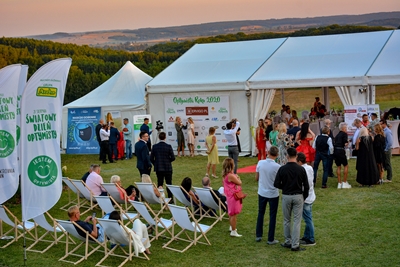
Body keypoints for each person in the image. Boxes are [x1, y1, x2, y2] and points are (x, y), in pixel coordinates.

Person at [274, 148, 309, 251]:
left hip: (286, 195)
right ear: (296, 156)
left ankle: (288, 241)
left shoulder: (282, 169)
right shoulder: (301, 169)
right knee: (297, 221)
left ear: (287, 156)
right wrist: (304, 197)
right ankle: (295, 244)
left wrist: (284, 187)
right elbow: (306, 186)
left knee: (286, 220)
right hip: (298, 196)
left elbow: (276, 184)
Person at [255, 146, 280, 245]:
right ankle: (270, 238)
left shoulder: (260, 163)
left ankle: (258, 235)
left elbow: (256, 178)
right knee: (272, 216)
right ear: (277, 155)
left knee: (261, 213)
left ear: (268, 152)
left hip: (262, 192)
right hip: (273, 193)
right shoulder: (277, 167)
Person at [296, 152, 316, 246]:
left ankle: (311, 238)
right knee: (308, 217)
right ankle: (306, 236)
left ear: (299, 161)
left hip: (306, 197)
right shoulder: (309, 168)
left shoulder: (302, 170)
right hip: (311, 195)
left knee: (308, 219)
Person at [150, 132, 175, 199]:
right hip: (167, 168)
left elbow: (151, 158)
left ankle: (159, 197)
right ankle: (170, 198)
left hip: (159, 168)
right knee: (169, 184)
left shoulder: (155, 147)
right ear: (165, 137)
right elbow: (173, 158)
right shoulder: (168, 146)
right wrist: (168, 161)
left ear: (159, 138)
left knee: (160, 183)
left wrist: (156, 163)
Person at [222, 158, 243, 237]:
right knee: (233, 214)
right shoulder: (231, 175)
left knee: (231, 213)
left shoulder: (225, 175)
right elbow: (239, 183)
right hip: (233, 196)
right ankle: (233, 231)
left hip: (229, 196)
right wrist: (238, 178)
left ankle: (232, 227)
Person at [334, 122, 351, 189]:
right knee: (345, 165)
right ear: (343, 128)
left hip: (336, 151)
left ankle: (339, 182)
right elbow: (345, 144)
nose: (346, 129)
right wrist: (348, 141)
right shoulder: (344, 134)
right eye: (346, 128)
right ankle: (344, 182)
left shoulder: (337, 135)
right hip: (341, 150)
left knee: (338, 166)